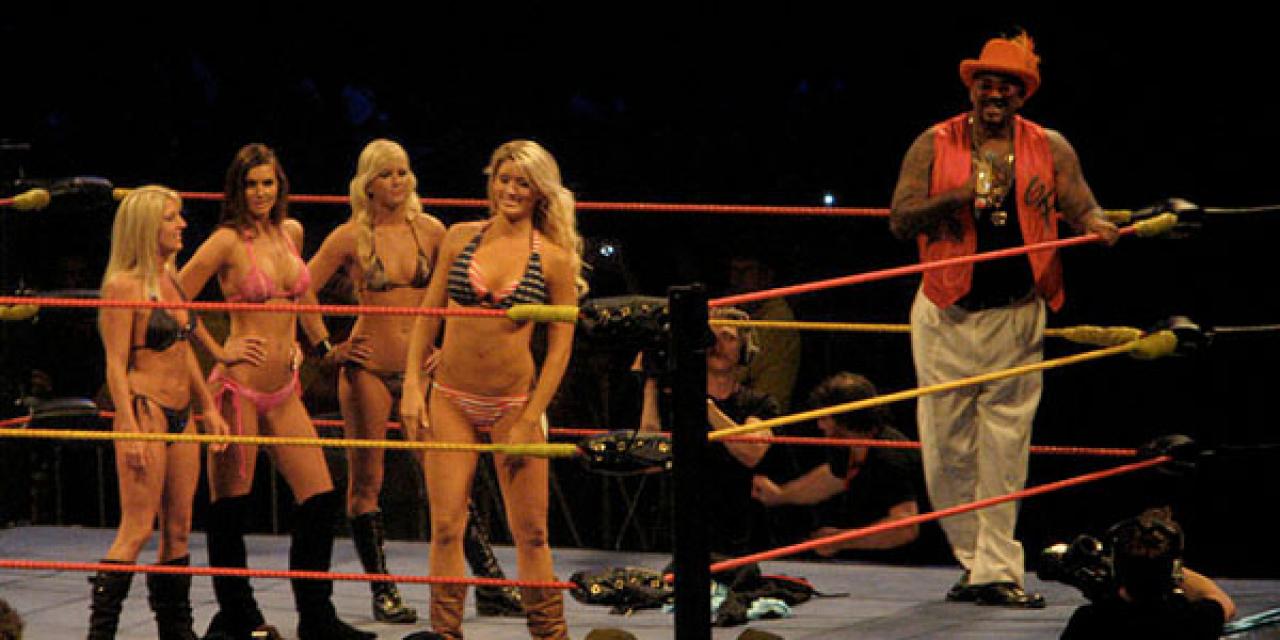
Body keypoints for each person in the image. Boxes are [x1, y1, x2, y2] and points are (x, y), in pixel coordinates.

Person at [888, 32, 1120, 608]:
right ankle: (974, 563)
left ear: (1023, 94)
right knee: (944, 450)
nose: (995, 94)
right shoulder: (933, 142)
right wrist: (958, 196)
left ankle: (997, 569)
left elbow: (1081, 204)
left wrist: (1096, 224)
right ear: (972, 88)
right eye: (987, 83)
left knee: (1005, 449)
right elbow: (900, 218)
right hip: (946, 310)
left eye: (1007, 86)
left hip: (1017, 312)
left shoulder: (1050, 145)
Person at [302, 139, 521, 622]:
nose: (397, 182)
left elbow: (463, 289)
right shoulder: (349, 237)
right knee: (367, 479)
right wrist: (326, 349)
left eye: (402, 172)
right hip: (369, 369)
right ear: (368, 184)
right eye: (386, 174)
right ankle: (384, 592)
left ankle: (489, 583)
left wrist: (449, 344)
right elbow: (300, 289)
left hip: (422, 370)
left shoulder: (433, 230)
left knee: (447, 476)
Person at [179, 144, 373, 639]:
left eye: (267, 183)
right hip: (238, 388)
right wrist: (219, 349)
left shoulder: (291, 233)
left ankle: (317, 616)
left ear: (279, 185)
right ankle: (239, 617)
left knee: (319, 497)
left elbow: (303, 295)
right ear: (237, 189)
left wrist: (322, 346)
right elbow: (173, 297)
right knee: (230, 508)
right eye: (251, 184)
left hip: (284, 390)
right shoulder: (225, 242)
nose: (260, 193)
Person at [400, 140, 583, 640]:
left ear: (539, 191)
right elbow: (427, 315)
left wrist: (529, 416)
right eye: (504, 179)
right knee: (445, 526)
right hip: (451, 398)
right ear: (491, 181)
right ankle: (445, 633)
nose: (511, 190)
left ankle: (550, 634)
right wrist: (413, 384)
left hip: (514, 403)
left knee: (533, 532)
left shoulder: (554, 259)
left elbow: (560, 350)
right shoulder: (461, 238)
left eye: (522, 183)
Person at [90, 186, 232, 639]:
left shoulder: (170, 279)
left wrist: (207, 407)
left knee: (179, 528)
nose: (182, 225)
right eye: (172, 218)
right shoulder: (122, 286)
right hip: (145, 409)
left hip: (181, 413)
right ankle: (100, 635)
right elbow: (115, 364)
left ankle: (177, 632)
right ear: (147, 227)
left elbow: (183, 348)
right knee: (136, 528)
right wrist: (130, 428)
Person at [639, 306, 778, 556]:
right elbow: (648, 461)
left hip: (739, 532)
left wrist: (704, 406)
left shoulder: (759, 403)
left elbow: (752, 453)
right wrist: (651, 382)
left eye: (728, 337)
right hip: (679, 529)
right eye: (710, 336)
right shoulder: (673, 396)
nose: (717, 345)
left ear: (744, 348)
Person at [750, 372, 920, 556]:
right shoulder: (847, 447)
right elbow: (830, 479)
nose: (819, 426)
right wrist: (780, 495)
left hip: (917, 561)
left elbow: (906, 527)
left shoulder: (890, 455)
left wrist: (841, 540)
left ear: (844, 417)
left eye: (824, 418)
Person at [1059, 509, 1236, 639]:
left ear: (1116, 566)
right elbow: (1221, 600)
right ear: (1174, 567)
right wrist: (1163, 554)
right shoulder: (1195, 620)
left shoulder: (1089, 622)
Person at [725, 252, 800, 411]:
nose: (736, 280)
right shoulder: (732, 310)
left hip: (763, 411)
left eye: (746, 271)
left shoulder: (777, 320)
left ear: (766, 276)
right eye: (734, 271)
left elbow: (742, 372)